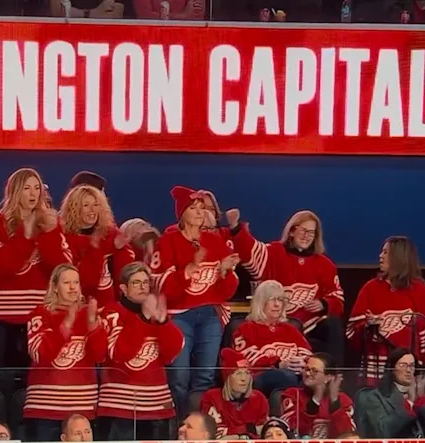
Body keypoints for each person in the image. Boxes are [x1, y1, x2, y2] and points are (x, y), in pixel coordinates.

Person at [151, 185, 240, 418]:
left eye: (202, 207)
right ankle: (179, 423)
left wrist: (225, 272)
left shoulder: (215, 241)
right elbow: (162, 288)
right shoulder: (168, 241)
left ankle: (199, 426)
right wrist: (188, 270)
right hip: (179, 316)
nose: (200, 212)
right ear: (182, 214)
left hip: (210, 313)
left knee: (205, 375)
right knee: (179, 376)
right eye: (194, 207)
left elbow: (228, 291)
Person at [223, 208, 346, 361]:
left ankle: (333, 376)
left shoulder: (325, 264)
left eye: (311, 233)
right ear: (292, 231)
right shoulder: (274, 253)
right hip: (279, 323)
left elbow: (338, 299)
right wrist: (235, 227)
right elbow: (249, 250)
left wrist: (324, 303)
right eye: (303, 231)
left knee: (332, 324)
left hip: (311, 325)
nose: (306, 236)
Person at [0, 168, 73, 367]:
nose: (33, 193)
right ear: (15, 192)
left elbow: (62, 269)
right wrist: (25, 235)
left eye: (37, 188)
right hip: (3, 316)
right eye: (27, 188)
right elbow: (1, 267)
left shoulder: (51, 224)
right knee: (2, 377)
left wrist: (49, 234)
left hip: (40, 315)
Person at [96, 262, 183, 441]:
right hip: (119, 409)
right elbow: (118, 353)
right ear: (123, 288)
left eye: (145, 282)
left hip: (157, 407)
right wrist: (143, 319)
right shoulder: (112, 312)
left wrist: (162, 321)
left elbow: (172, 354)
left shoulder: (156, 313)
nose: (143, 287)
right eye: (136, 283)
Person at [346, 236, 425, 385]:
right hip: (377, 372)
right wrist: (369, 325)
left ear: (398, 257)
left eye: (385, 252)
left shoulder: (418, 290)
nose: (380, 256)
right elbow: (353, 330)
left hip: (411, 373)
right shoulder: (370, 288)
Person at [24, 263, 106, 441]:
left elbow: (100, 356)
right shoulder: (40, 313)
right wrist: (65, 327)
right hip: (46, 408)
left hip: (82, 408)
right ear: (54, 287)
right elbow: (39, 353)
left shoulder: (88, 314)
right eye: (67, 282)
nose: (72, 287)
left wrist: (94, 328)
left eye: (76, 282)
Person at [231, 280, 312, 395]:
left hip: (294, 375)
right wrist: (278, 364)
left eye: (280, 300)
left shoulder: (290, 329)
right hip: (260, 377)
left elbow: (307, 353)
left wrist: (301, 362)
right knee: (285, 376)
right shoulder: (246, 329)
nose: (277, 304)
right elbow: (248, 359)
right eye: (272, 299)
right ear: (260, 302)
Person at [60, 185, 135, 308]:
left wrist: (120, 250)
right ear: (74, 209)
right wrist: (96, 249)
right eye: (86, 206)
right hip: (77, 305)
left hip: (108, 303)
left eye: (96, 205)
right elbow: (83, 280)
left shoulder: (111, 233)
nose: (92, 210)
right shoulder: (65, 238)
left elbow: (124, 274)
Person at [358, 348, 425, 438]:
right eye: (403, 365)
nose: (408, 370)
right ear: (392, 369)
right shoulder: (375, 396)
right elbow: (382, 431)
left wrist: (421, 401)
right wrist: (409, 403)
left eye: (412, 366)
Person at [279, 352, 357, 439]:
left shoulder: (343, 399)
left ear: (328, 377)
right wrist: (315, 401)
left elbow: (348, 434)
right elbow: (290, 429)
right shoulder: (293, 394)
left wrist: (335, 403)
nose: (308, 374)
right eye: (306, 369)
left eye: (314, 371)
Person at [200, 348, 269, 439]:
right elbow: (215, 434)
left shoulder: (259, 399)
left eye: (247, 373)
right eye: (238, 373)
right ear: (227, 377)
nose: (244, 378)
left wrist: (235, 433)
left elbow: (263, 433)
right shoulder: (212, 397)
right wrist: (247, 429)